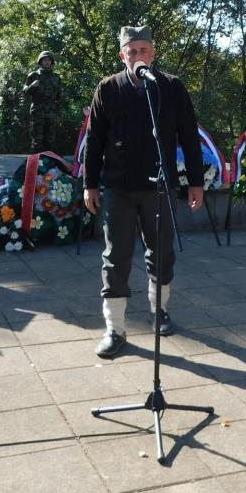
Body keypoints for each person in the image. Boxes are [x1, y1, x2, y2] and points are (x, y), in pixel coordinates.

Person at [83, 25, 204, 359]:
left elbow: (188, 136)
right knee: (115, 257)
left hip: (159, 187)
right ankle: (115, 329)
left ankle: (159, 311)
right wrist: (89, 184)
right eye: (132, 51)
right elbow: (94, 140)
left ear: (153, 54)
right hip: (119, 188)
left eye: (144, 50)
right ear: (122, 55)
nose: (138, 56)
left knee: (161, 253)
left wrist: (195, 182)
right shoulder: (107, 88)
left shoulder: (171, 87)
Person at [24, 50, 62, 153]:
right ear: (40, 61)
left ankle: (49, 162)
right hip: (37, 112)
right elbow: (25, 92)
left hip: (51, 112)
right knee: (37, 141)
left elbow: (59, 96)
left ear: (51, 62)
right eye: (44, 60)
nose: (47, 62)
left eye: (49, 60)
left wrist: (57, 112)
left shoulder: (56, 78)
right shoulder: (33, 75)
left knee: (50, 141)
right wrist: (32, 86)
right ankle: (35, 162)